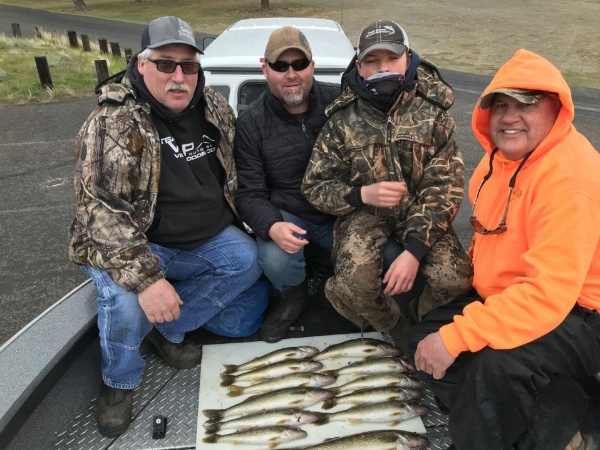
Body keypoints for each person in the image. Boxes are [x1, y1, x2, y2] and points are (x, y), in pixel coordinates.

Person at [68, 16, 269, 437]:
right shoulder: (111, 123)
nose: (179, 77)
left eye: (189, 66)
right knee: (124, 304)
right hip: (131, 243)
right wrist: (146, 280)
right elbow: (98, 209)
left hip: (203, 237)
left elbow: (239, 170)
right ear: (141, 65)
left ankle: (166, 330)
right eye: (165, 64)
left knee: (247, 260)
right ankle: (119, 381)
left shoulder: (213, 107)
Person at [408, 49, 600, 450]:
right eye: (500, 105)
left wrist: (461, 337)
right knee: (424, 336)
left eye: (525, 105)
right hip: (513, 298)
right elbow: (489, 233)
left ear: (556, 109)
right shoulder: (501, 161)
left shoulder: (570, 180)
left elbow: (548, 294)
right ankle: (556, 416)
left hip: (578, 313)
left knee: (489, 372)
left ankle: (529, 429)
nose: (509, 117)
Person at [301, 20, 473, 351]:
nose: (383, 68)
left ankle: (418, 316)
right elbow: (315, 185)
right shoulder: (341, 119)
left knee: (456, 279)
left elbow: (446, 186)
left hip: (421, 211)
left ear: (408, 59)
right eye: (372, 61)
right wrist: (358, 194)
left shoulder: (434, 112)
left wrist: (413, 251)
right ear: (360, 67)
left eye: (391, 59)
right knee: (354, 283)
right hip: (365, 213)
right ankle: (393, 325)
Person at [233, 26, 341, 343]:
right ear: (265, 68)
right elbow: (250, 193)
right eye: (281, 66)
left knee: (388, 256)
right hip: (291, 213)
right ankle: (293, 298)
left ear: (312, 66)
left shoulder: (341, 103)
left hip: (343, 212)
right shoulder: (251, 123)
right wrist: (272, 226)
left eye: (299, 64)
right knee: (275, 258)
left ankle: (354, 290)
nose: (291, 73)